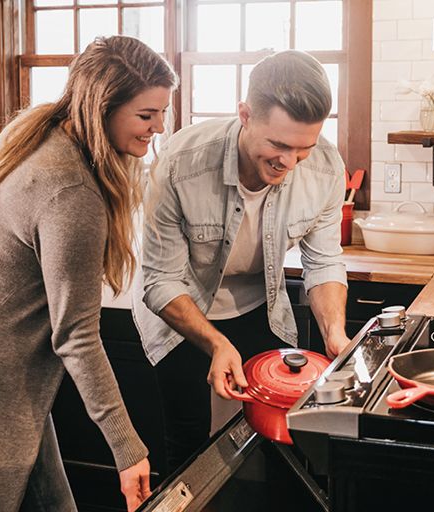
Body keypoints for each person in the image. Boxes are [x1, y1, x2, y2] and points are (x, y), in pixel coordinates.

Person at [0, 36, 177, 512]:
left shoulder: (44, 130)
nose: (158, 127)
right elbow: (77, 336)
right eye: (147, 115)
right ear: (102, 105)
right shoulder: (71, 190)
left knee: (48, 499)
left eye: (162, 112)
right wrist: (128, 450)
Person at [132, 50, 349, 473]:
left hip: (260, 306)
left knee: (276, 440)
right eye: (278, 144)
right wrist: (215, 343)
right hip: (181, 310)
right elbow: (160, 280)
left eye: (303, 148)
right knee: (190, 444)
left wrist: (335, 333)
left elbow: (323, 262)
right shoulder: (181, 162)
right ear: (245, 115)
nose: (289, 162)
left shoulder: (324, 166)